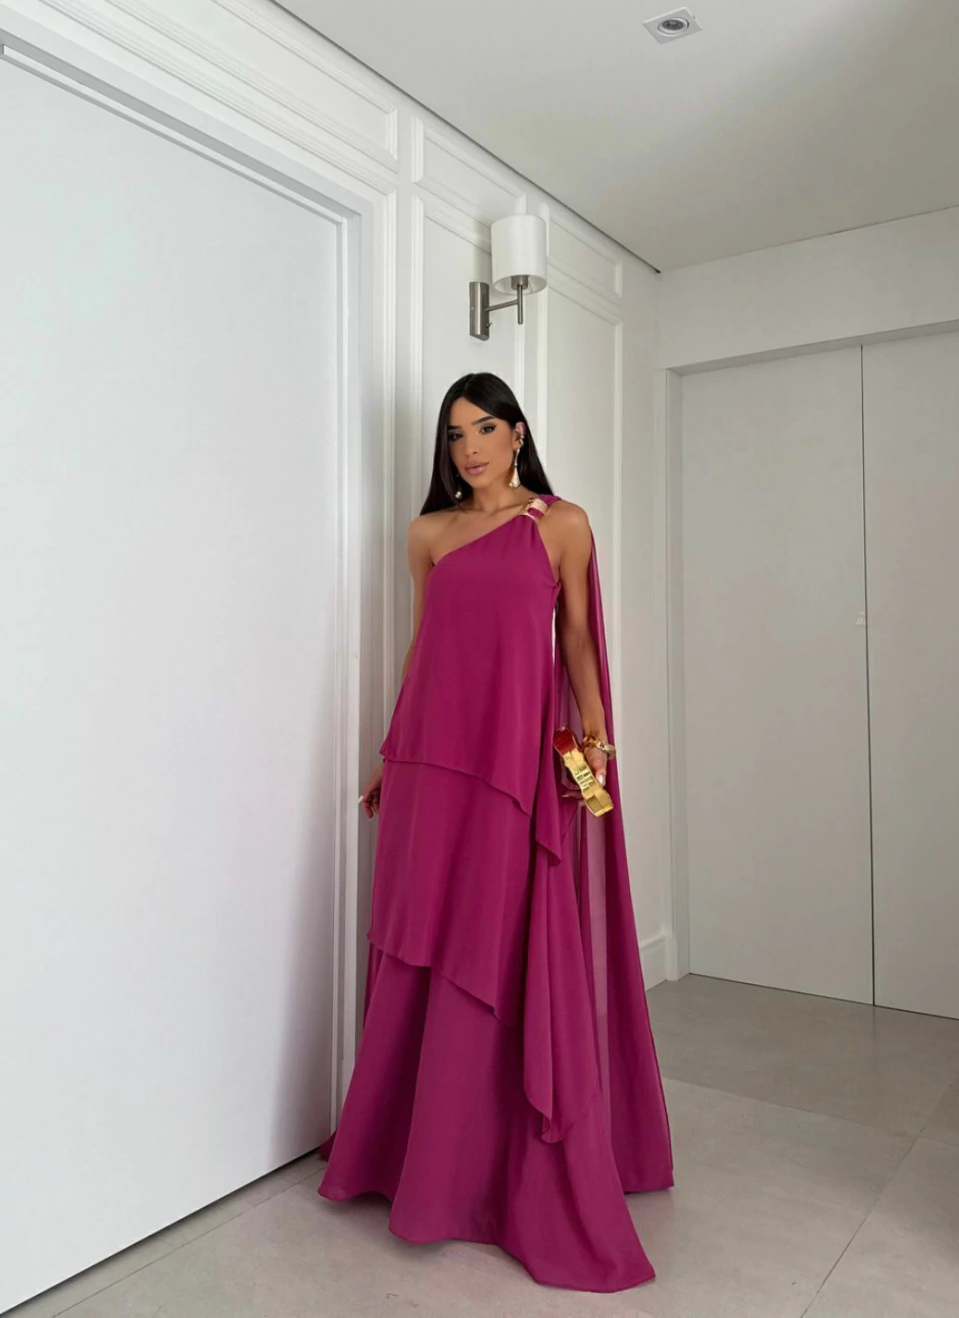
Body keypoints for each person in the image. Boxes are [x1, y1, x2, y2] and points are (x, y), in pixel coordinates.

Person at [316, 371, 673, 1292]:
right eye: (454, 434)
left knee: (502, 946)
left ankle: (498, 1170)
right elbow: (424, 650)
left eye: (484, 428)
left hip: (513, 769)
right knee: (427, 946)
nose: (468, 447)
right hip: (431, 766)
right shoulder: (427, 534)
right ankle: (418, 1159)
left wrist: (596, 743)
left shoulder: (561, 523)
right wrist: (392, 754)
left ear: (517, 434)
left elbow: (578, 641)